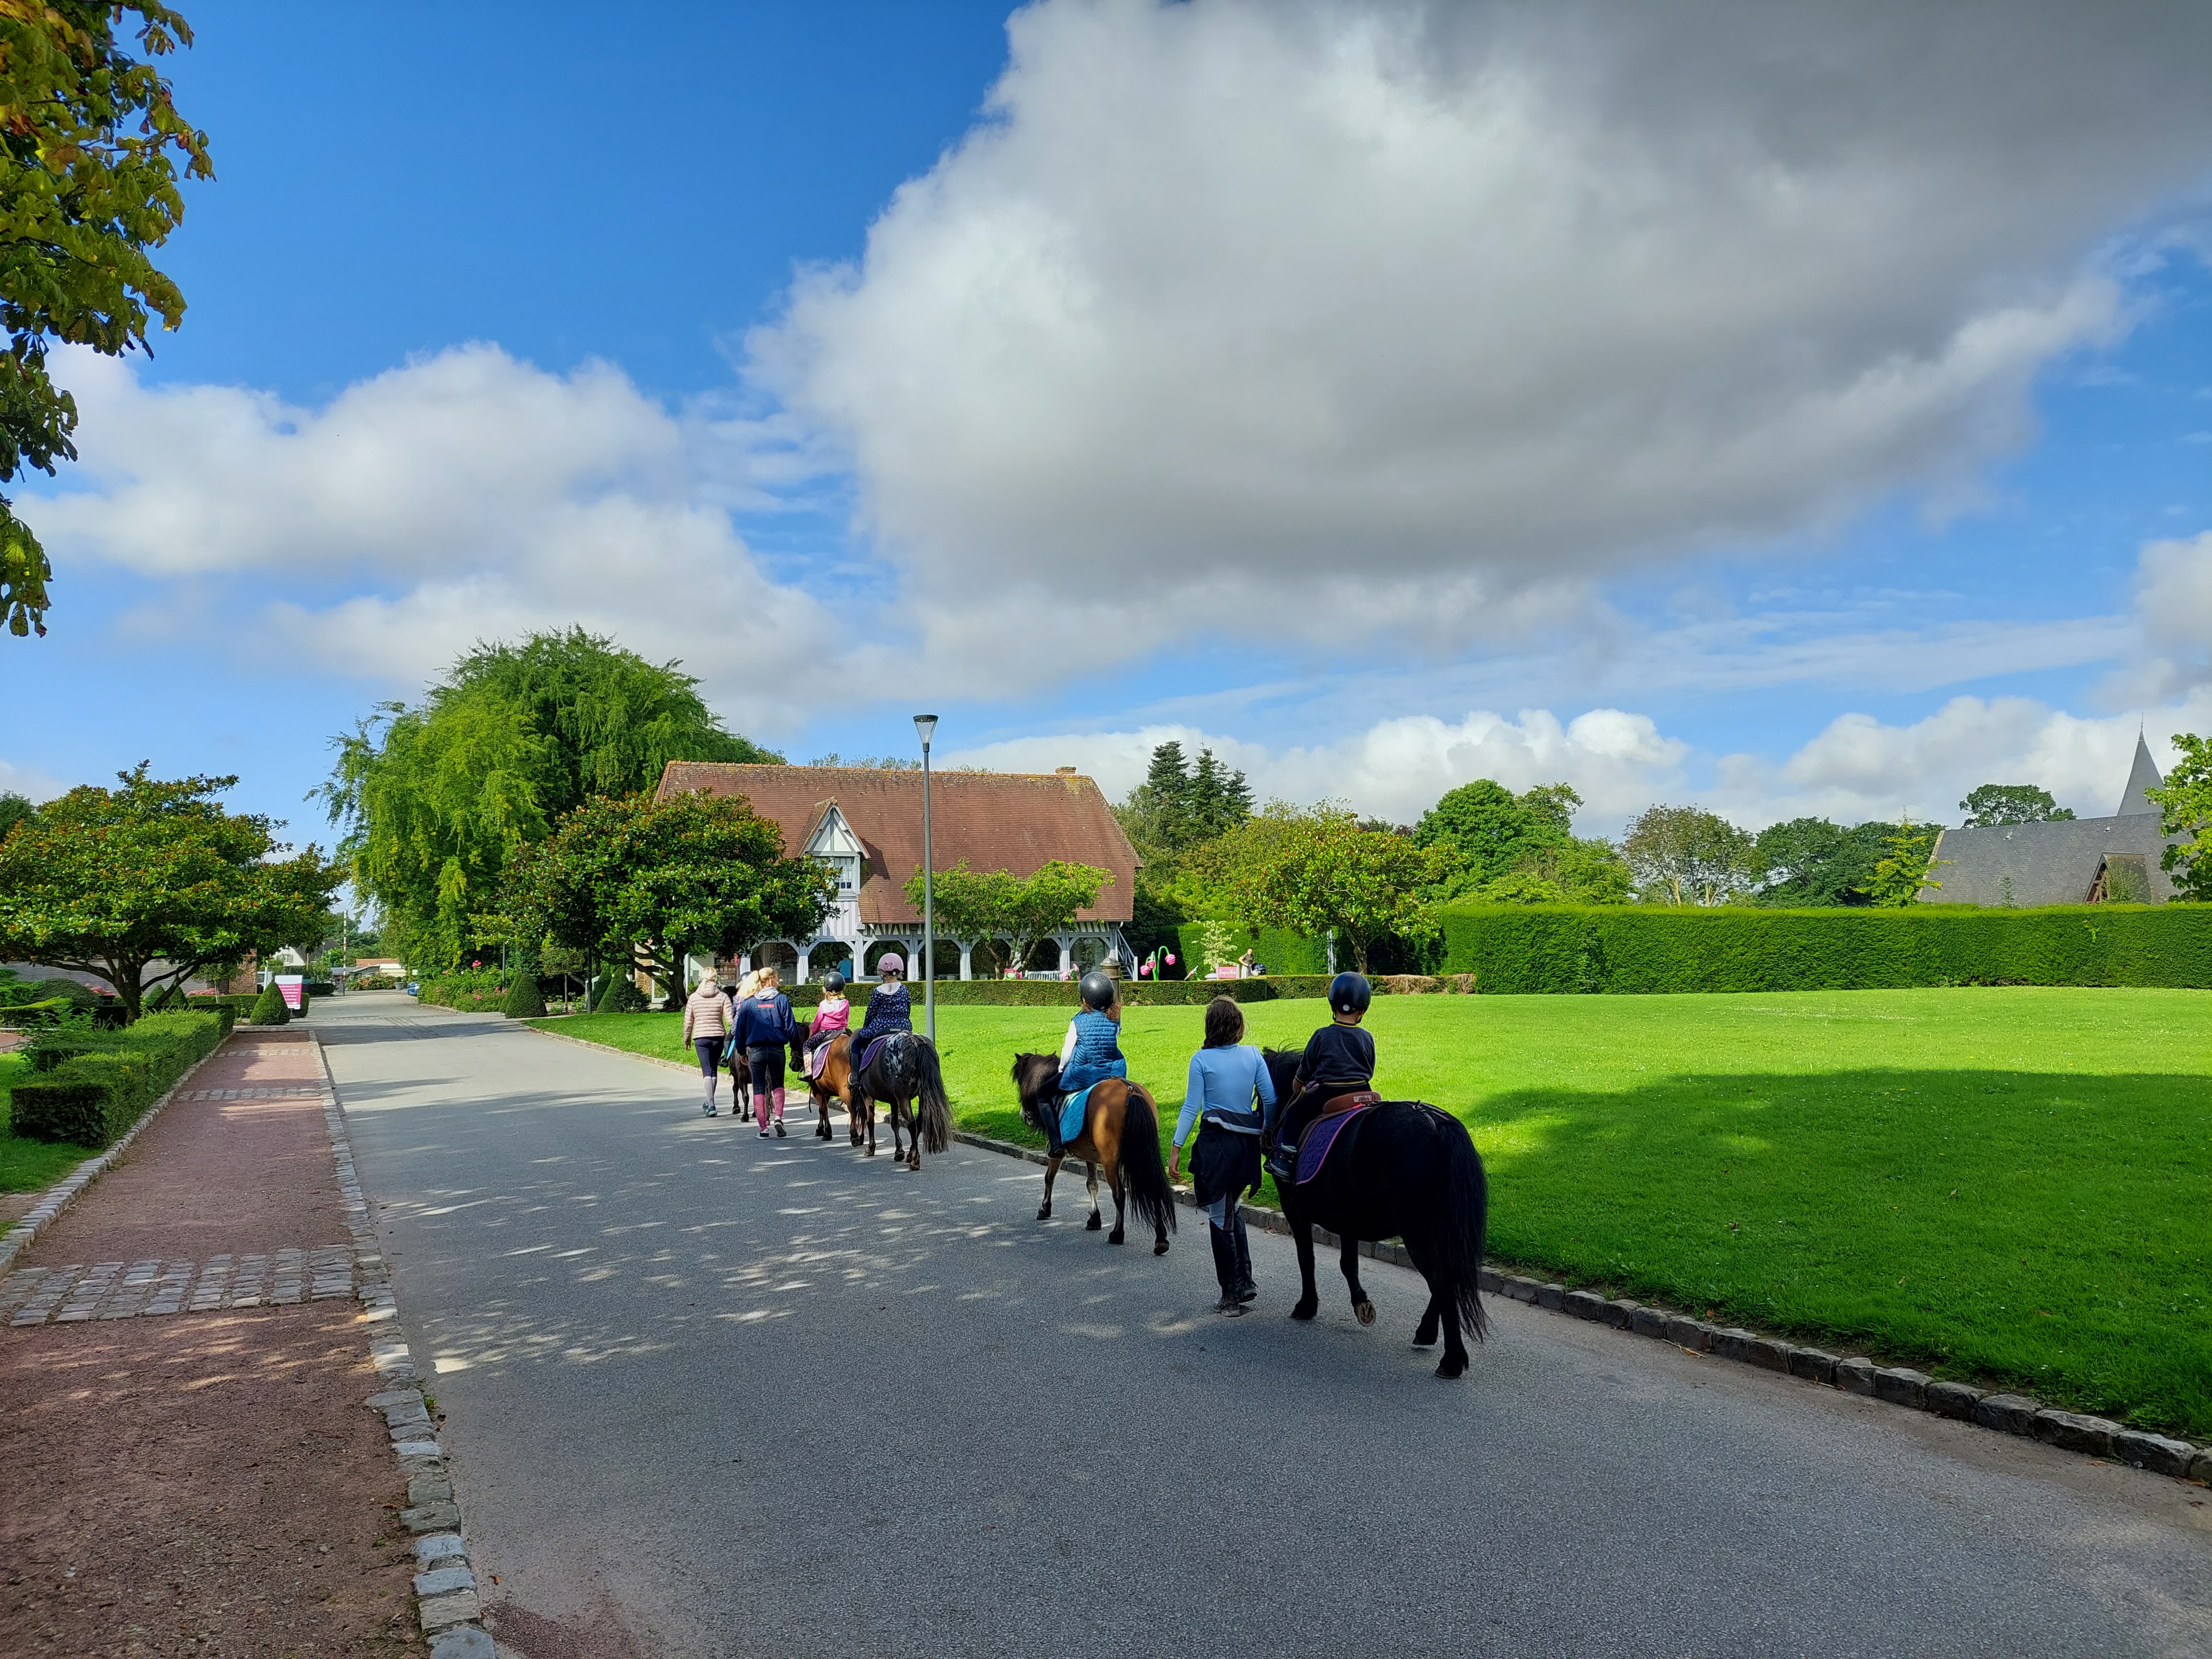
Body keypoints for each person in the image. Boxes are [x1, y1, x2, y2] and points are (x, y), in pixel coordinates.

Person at [1169, 995, 1276, 1313]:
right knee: (1233, 1208)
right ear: (1239, 1025)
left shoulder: (1201, 1060)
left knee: (1220, 1217)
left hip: (1217, 1147)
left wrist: (1176, 1148)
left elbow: (1192, 1107)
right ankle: (1246, 1281)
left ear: (1210, 1027)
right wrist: (1267, 1130)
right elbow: (1270, 1100)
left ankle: (1229, 1295)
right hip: (1246, 1148)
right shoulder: (1254, 1055)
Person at [1269, 971, 1375, 1181]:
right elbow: (1370, 1069)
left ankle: (1286, 1157)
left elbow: (1306, 1069)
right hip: (1364, 1091)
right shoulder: (1367, 1037)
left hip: (1329, 1093)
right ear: (1363, 1011)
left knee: (1294, 1114)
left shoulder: (1322, 1035)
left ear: (1333, 1006)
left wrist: (1298, 1085)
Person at [1049, 970, 1128, 1157]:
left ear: (1085, 1000)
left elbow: (1068, 1050)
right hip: (1113, 1072)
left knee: (1045, 1096)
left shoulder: (1078, 1021)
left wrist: (1061, 1069)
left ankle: (1056, 1143)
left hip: (1083, 1074)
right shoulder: (1114, 1020)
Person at [733, 966, 796, 1138]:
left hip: (756, 1051)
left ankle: (763, 1129)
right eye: (777, 978)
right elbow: (791, 1027)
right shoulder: (782, 1000)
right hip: (777, 1050)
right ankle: (778, 1117)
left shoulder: (748, 1003)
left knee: (759, 1088)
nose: (778, 982)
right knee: (778, 1085)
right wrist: (796, 1047)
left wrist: (741, 1051)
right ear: (770, 980)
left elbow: (740, 1031)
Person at [845, 954, 914, 1098]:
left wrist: (866, 1028)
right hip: (902, 1027)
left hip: (880, 1027)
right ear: (899, 972)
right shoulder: (904, 990)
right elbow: (907, 1010)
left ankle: (856, 1079)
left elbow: (871, 1012)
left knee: (856, 1045)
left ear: (882, 972)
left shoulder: (878, 991)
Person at [682, 970, 734, 1116]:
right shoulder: (723, 997)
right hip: (718, 1037)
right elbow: (730, 1020)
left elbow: (688, 1022)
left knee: (707, 1072)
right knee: (713, 1071)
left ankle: (711, 1104)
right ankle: (710, 1102)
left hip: (701, 1038)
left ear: (701, 979)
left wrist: (686, 1039)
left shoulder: (694, 998)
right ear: (716, 980)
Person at [804, 969, 852, 1079]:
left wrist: (814, 1032)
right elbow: (847, 1018)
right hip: (841, 1032)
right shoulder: (846, 1002)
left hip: (826, 1033)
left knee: (807, 1045)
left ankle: (808, 1070)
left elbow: (817, 1022)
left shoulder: (824, 1004)